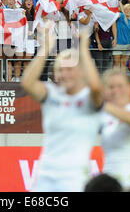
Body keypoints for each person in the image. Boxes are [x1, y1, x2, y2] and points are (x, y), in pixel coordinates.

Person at [21, 23, 104, 192]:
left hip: (74, 179)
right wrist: (46, 48)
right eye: (61, 69)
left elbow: (96, 87)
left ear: (81, 72)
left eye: (70, 69)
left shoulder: (88, 98)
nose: (64, 74)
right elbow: (27, 82)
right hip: (45, 176)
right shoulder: (52, 93)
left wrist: (84, 51)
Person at [99, 68, 130, 190]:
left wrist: (102, 105)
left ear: (129, 88)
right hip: (107, 184)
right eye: (111, 87)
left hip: (129, 184)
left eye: (120, 86)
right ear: (105, 90)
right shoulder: (105, 116)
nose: (116, 90)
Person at [113, 3, 130, 70]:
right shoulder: (121, 16)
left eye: (129, 9)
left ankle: (122, 79)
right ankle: (114, 79)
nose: (128, 11)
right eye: (126, 9)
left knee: (123, 64)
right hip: (118, 44)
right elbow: (113, 15)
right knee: (116, 63)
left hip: (128, 44)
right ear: (124, 10)